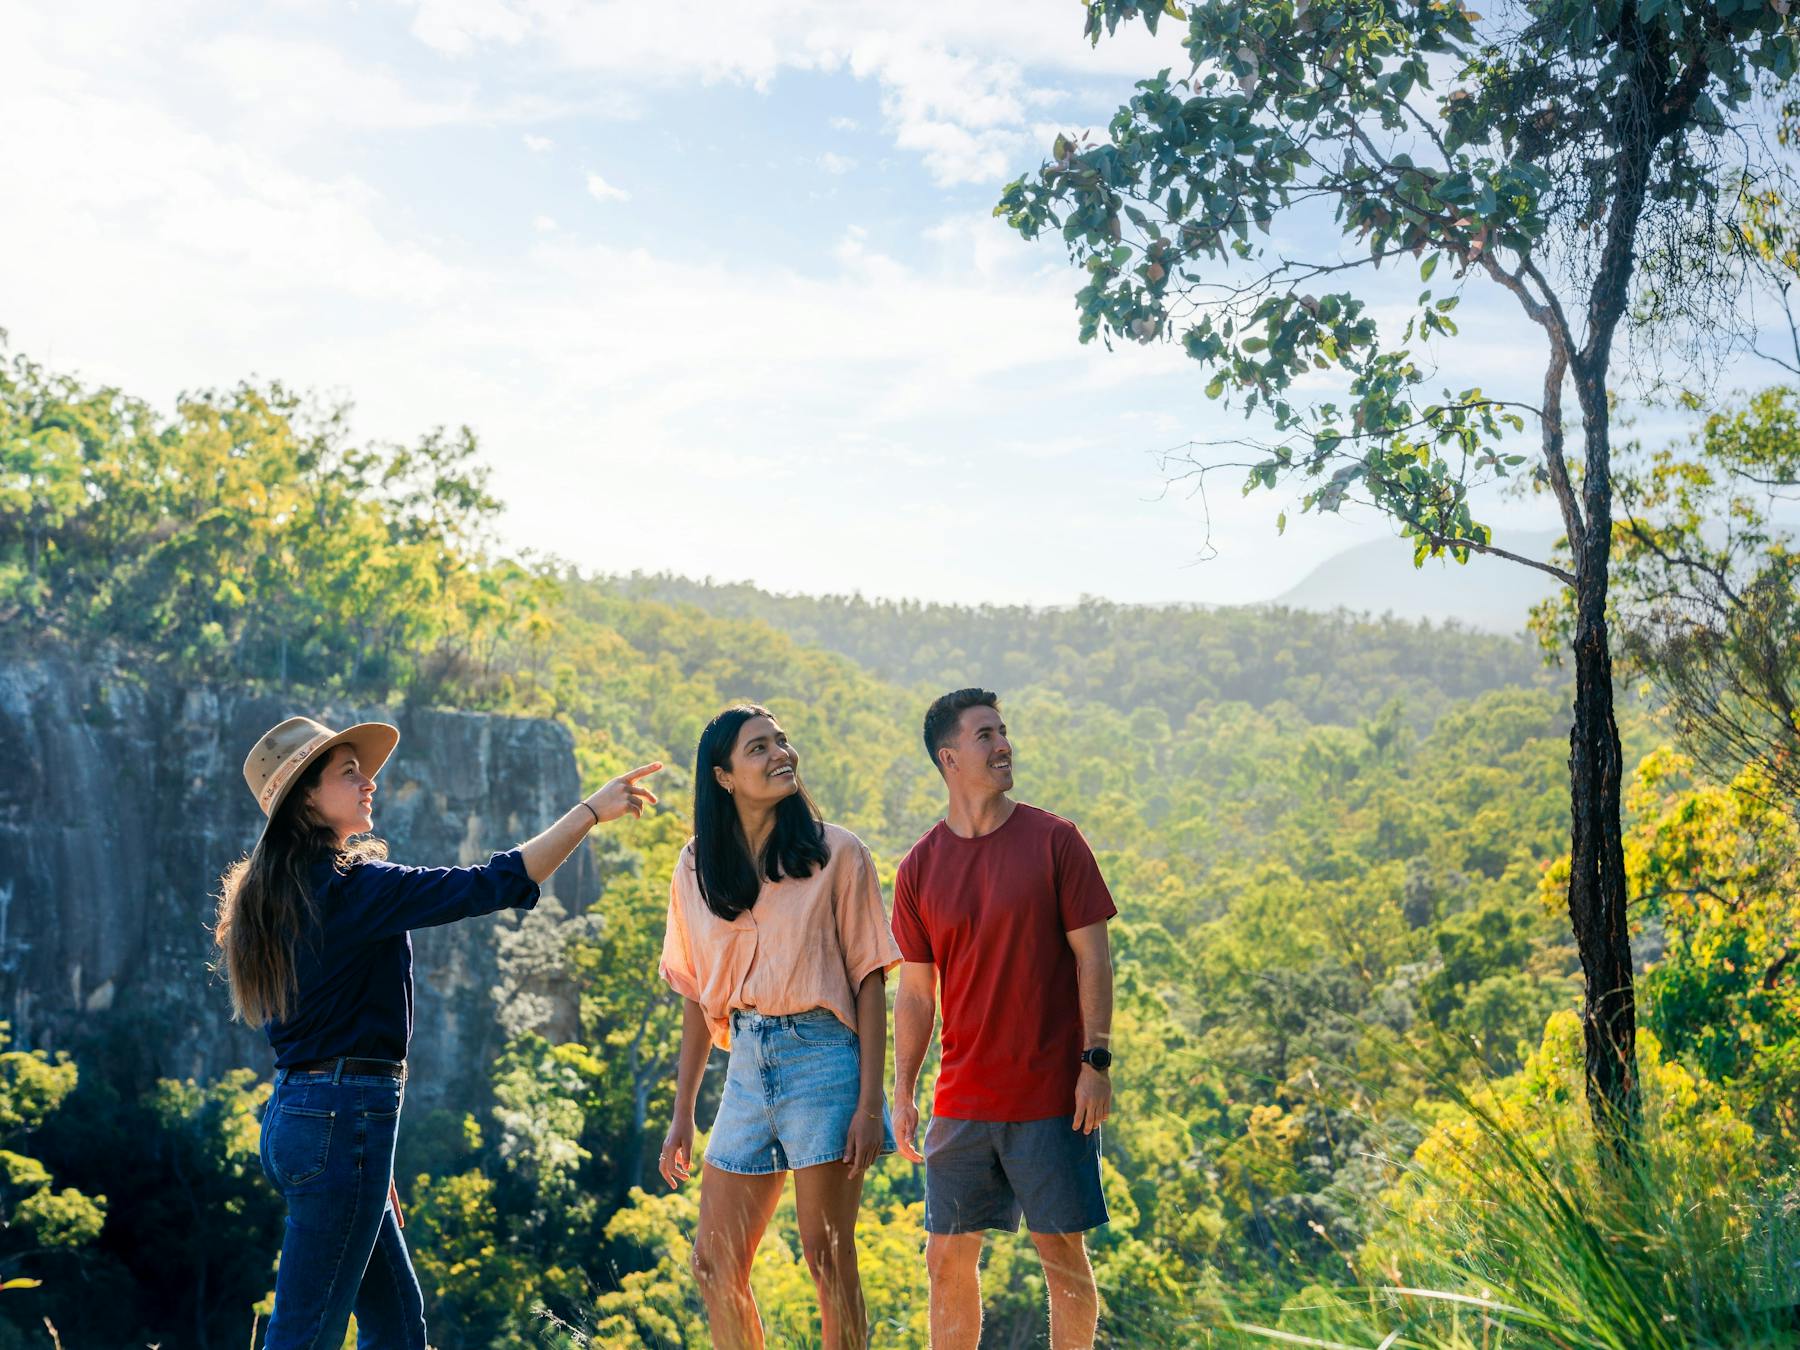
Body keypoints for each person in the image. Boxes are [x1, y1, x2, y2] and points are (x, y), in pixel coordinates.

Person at [213, 714, 660, 1350]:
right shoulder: (352, 889)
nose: (368, 782)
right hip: (342, 1125)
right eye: (348, 773)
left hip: (313, 1120)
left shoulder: (281, 892)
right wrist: (589, 812)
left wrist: (368, 1152)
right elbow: (495, 882)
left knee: (397, 1324)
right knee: (304, 1334)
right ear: (306, 798)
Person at [656, 704, 902, 1350]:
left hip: (823, 1058)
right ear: (724, 776)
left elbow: (872, 980)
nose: (779, 754)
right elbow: (692, 992)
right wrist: (683, 1111)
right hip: (743, 1068)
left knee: (827, 1258)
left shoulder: (838, 853)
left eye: (782, 742)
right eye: (759, 748)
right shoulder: (695, 866)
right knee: (714, 1265)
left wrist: (870, 1105)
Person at [890, 688, 1117, 1350]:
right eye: (986, 735)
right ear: (949, 757)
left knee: (1063, 1262)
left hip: (1051, 1094)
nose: (1003, 745)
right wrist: (902, 1092)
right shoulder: (919, 867)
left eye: (1004, 731)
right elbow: (913, 994)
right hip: (960, 1101)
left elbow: (1094, 962)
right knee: (944, 1260)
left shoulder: (1056, 841)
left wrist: (1095, 1062)